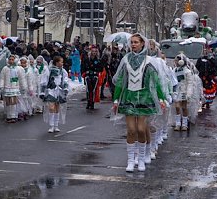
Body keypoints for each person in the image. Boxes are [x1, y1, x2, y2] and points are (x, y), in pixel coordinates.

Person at [111, 34, 168, 172]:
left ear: (143, 43)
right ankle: (131, 160)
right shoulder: (126, 59)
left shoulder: (149, 61)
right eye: (132, 42)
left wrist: (161, 98)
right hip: (128, 97)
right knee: (131, 130)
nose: (133, 44)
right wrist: (116, 98)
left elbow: (156, 82)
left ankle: (141, 158)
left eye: (136, 42)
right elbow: (120, 81)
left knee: (142, 129)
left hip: (144, 97)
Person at [41, 54, 69, 133]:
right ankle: (51, 125)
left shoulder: (62, 71)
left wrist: (65, 88)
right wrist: (43, 91)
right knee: (51, 107)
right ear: (56, 62)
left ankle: (56, 125)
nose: (62, 63)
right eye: (61, 62)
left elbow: (65, 80)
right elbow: (44, 80)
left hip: (59, 91)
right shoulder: (48, 70)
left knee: (57, 107)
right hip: (51, 90)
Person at [171, 53, 199, 132]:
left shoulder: (187, 71)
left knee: (184, 107)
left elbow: (190, 83)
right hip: (176, 91)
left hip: (184, 91)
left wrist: (188, 93)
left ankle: (184, 124)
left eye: (177, 60)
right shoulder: (174, 70)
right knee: (177, 107)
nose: (175, 62)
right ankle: (178, 123)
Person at [0, 53, 27, 123]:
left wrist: (23, 87)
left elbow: (22, 78)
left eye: (12, 59)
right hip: (7, 87)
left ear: (15, 60)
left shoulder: (18, 69)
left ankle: (13, 115)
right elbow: (2, 78)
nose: (11, 61)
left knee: (13, 102)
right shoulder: (5, 68)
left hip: (15, 87)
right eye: (10, 59)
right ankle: (9, 116)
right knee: (8, 102)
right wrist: (1, 86)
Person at [82, 46, 106, 110]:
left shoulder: (98, 60)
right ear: (90, 52)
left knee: (93, 90)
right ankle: (88, 102)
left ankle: (92, 103)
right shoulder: (87, 59)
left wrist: (95, 70)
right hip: (88, 76)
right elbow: (83, 67)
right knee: (88, 89)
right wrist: (85, 72)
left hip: (95, 76)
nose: (94, 53)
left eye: (95, 51)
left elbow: (101, 68)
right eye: (93, 51)